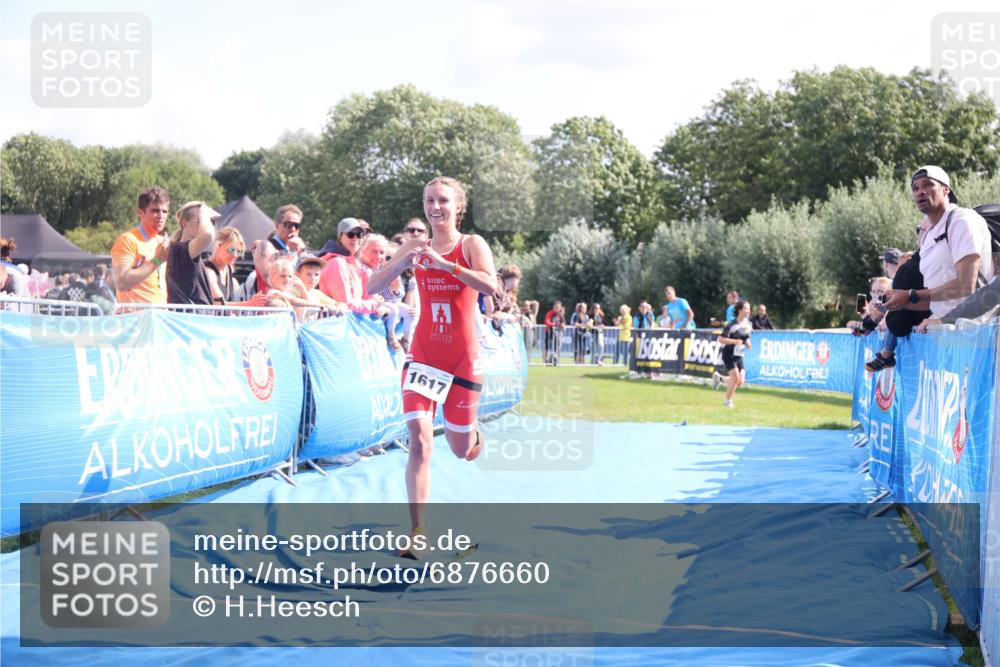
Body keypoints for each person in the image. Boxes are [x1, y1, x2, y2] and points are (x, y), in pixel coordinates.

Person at [366, 176, 498, 553]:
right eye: (429, 200)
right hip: (423, 357)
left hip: (462, 362)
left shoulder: (472, 244)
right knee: (421, 443)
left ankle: (472, 438)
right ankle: (417, 533)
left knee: (460, 450)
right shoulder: (415, 245)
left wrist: (446, 265)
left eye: (443, 200)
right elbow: (372, 287)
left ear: (458, 206)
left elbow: (491, 286)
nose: (435, 207)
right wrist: (401, 262)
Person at [882, 165, 993, 318]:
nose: (920, 192)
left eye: (928, 184)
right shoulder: (928, 236)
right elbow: (933, 300)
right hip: (945, 329)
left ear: (946, 189)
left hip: (975, 329)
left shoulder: (962, 220)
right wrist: (899, 302)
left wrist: (911, 295)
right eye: (915, 188)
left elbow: (966, 286)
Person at [111, 186, 171, 304]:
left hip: (158, 316)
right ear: (140, 212)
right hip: (133, 318)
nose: (161, 216)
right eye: (155, 211)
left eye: (164, 211)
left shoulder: (162, 241)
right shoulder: (127, 240)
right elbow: (122, 283)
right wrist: (157, 260)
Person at [167, 201, 218, 305]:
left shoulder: (183, 250)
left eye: (211, 221)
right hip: (190, 318)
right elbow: (207, 235)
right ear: (184, 223)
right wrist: (203, 212)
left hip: (195, 318)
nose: (208, 223)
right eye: (202, 220)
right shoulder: (178, 251)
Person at [718, 300, 752, 408]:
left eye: (749, 309)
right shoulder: (731, 325)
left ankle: (720, 379)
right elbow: (721, 339)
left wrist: (747, 343)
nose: (748, 311)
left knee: (740, 381)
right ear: (739, 310)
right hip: (728, 354)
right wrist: (734, 342)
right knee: (735, 377)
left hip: (739, 355)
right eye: (746, 308)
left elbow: (745, 337)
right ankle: (728, 402)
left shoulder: (748, 325)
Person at [543, 300, 565, 365]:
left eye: (558, 307)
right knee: (547, 347)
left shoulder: (560, 315)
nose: (557, 308)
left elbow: (563, 322)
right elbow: (547, 321)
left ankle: (556, 360)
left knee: (557, 347)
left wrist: (562, 325)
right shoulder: (550, 313)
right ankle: (545, 361)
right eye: (556, 307)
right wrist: (555, 324)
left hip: (557, 333)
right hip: (549, 332)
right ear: (553, 307)